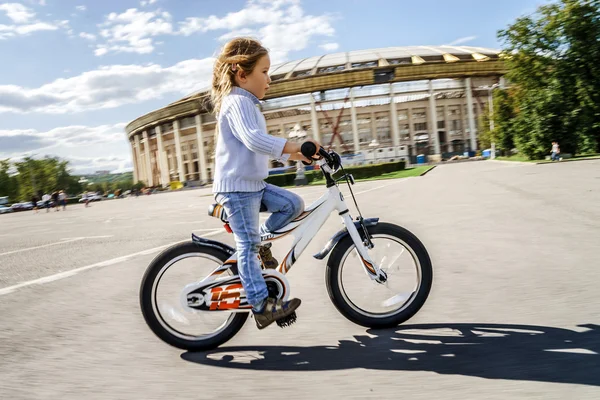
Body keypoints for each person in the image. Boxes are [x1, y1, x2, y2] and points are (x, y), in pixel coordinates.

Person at [211, 37, 320, 330]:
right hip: (237, 187)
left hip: (252, 185)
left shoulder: (248, 104)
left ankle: (260, 245)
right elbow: (254, 140)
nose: (269, 80)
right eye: (264, 71)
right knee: (246, 245)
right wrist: (295, 144)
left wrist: (300, 153)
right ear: (241, 73)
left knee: (293, 205)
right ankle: (262, 305)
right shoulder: (236, 102)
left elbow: (260, 147)